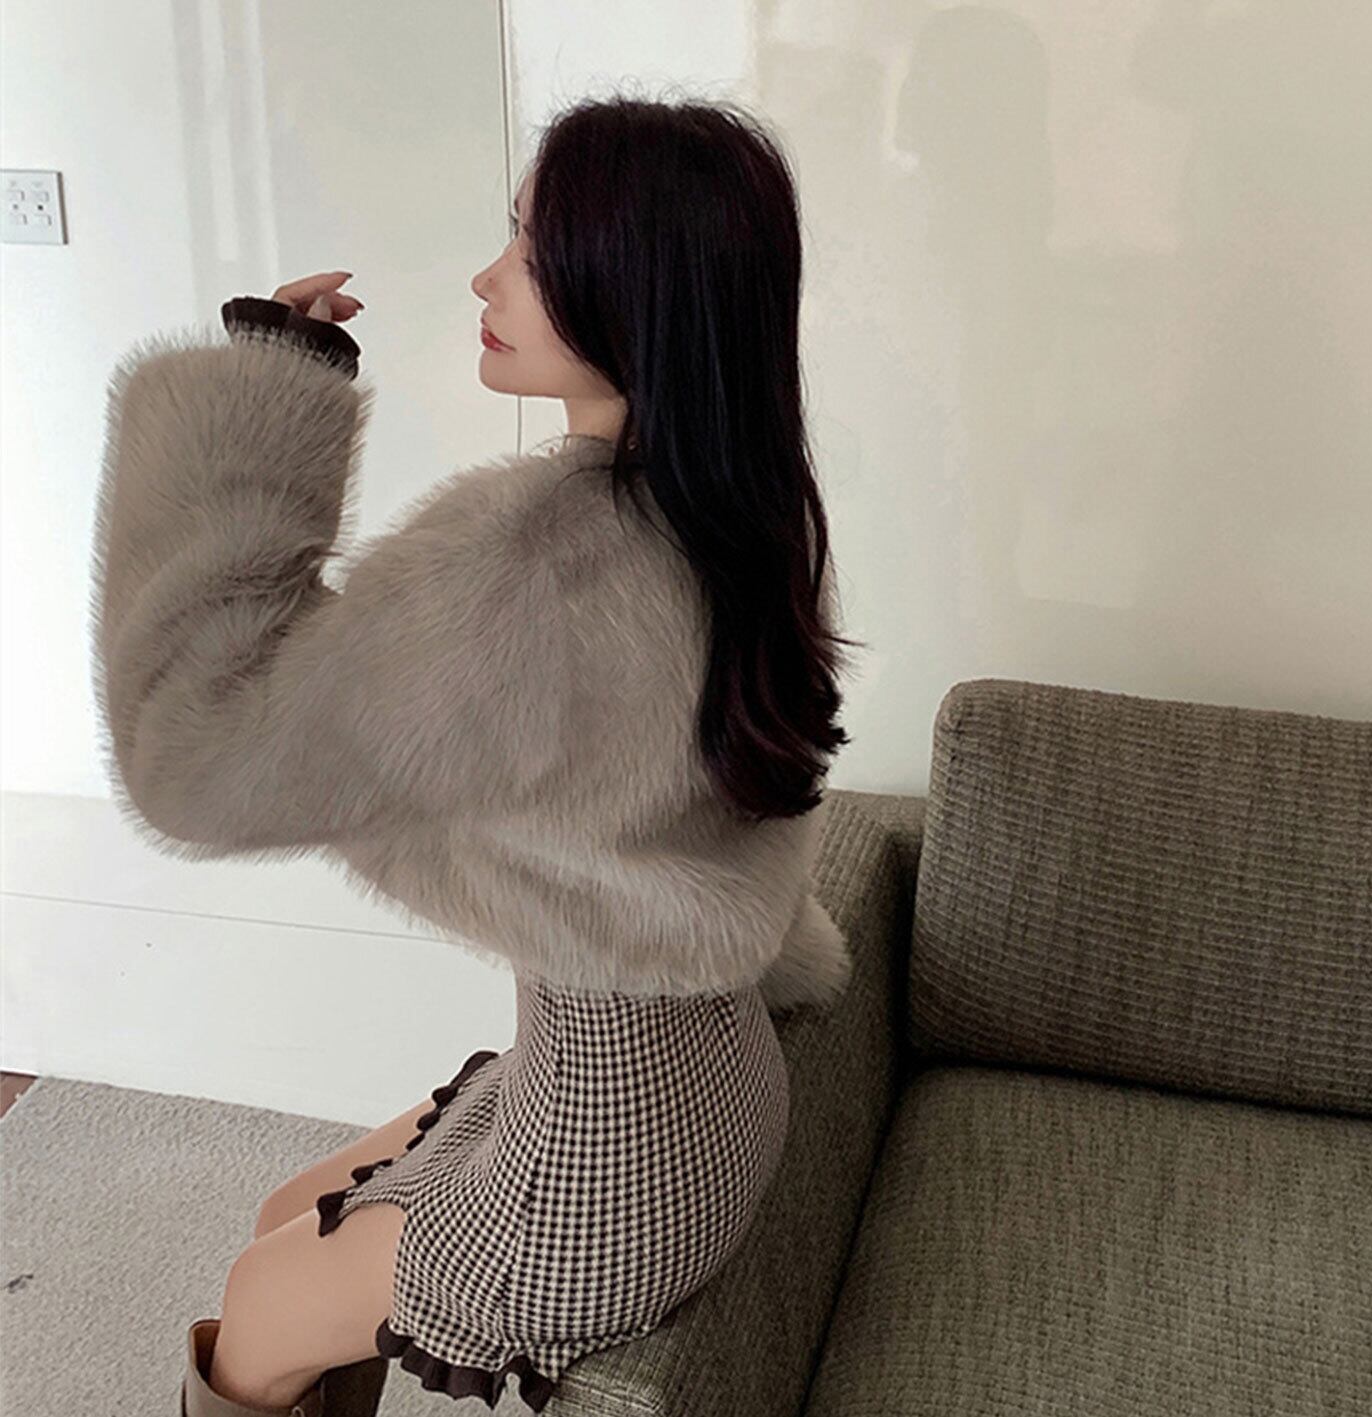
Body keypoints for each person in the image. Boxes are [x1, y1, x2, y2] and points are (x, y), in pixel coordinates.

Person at [90, 92, 862, 1416]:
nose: (487, 278)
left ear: (638, 287)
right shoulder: (746, 516)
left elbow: (198, 752)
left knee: (263, 1304)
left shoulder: (543, 571)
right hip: (717, 1094)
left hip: (599, 1175)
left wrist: (267, 397)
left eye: (533, 248)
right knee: (287, 1213)